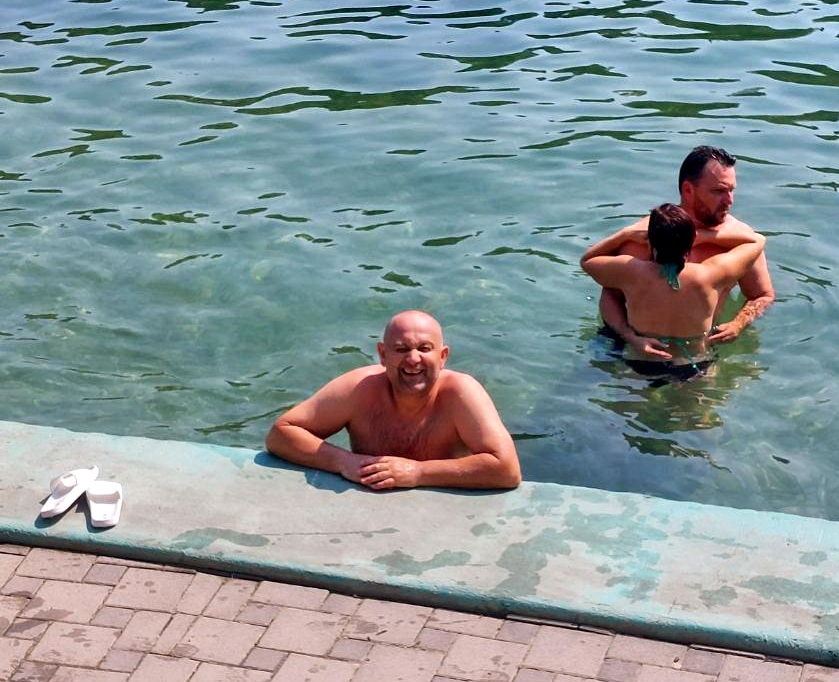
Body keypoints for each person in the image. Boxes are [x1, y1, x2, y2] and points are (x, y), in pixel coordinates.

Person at [265, 309, 521, 492]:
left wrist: (418, 473)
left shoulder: (461, 393)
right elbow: (281, 434)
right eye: (401, 349)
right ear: (382, 354)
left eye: (424, 349)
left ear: (443, 356)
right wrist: (343, 461)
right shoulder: (360, 388)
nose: (413, 359)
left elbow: (507, 470)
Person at [584, 145, 775, 363]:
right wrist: (627, 335)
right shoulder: (645, 236)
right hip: (632, 349)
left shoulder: (740, 240)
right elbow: (610, 295)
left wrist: (738, 324)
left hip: (699, 350)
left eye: (732, 190)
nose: (729, 200)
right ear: (688, 190)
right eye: (719, 191)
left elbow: (762, 295)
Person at [581, 204, 766, 376]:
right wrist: (704, 236)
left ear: (651, 243)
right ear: (690, 243)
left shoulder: (631, 271)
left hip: (643, 358)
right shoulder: (710, 275)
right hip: (695, 361)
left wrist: (625, 234)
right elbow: (757, 241)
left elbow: (587, 260)